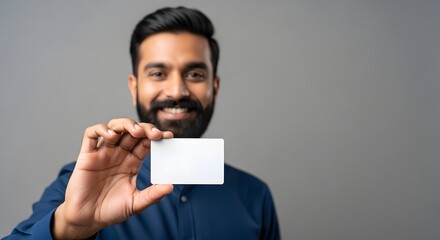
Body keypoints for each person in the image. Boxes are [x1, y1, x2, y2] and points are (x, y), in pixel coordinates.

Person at [3, 6, 280, 240]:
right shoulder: (83, 182)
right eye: (158, 73)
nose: (176, 91)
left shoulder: (254, 196)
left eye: (195, 74)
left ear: (214, 87)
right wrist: (69, 226)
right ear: (134, 87)